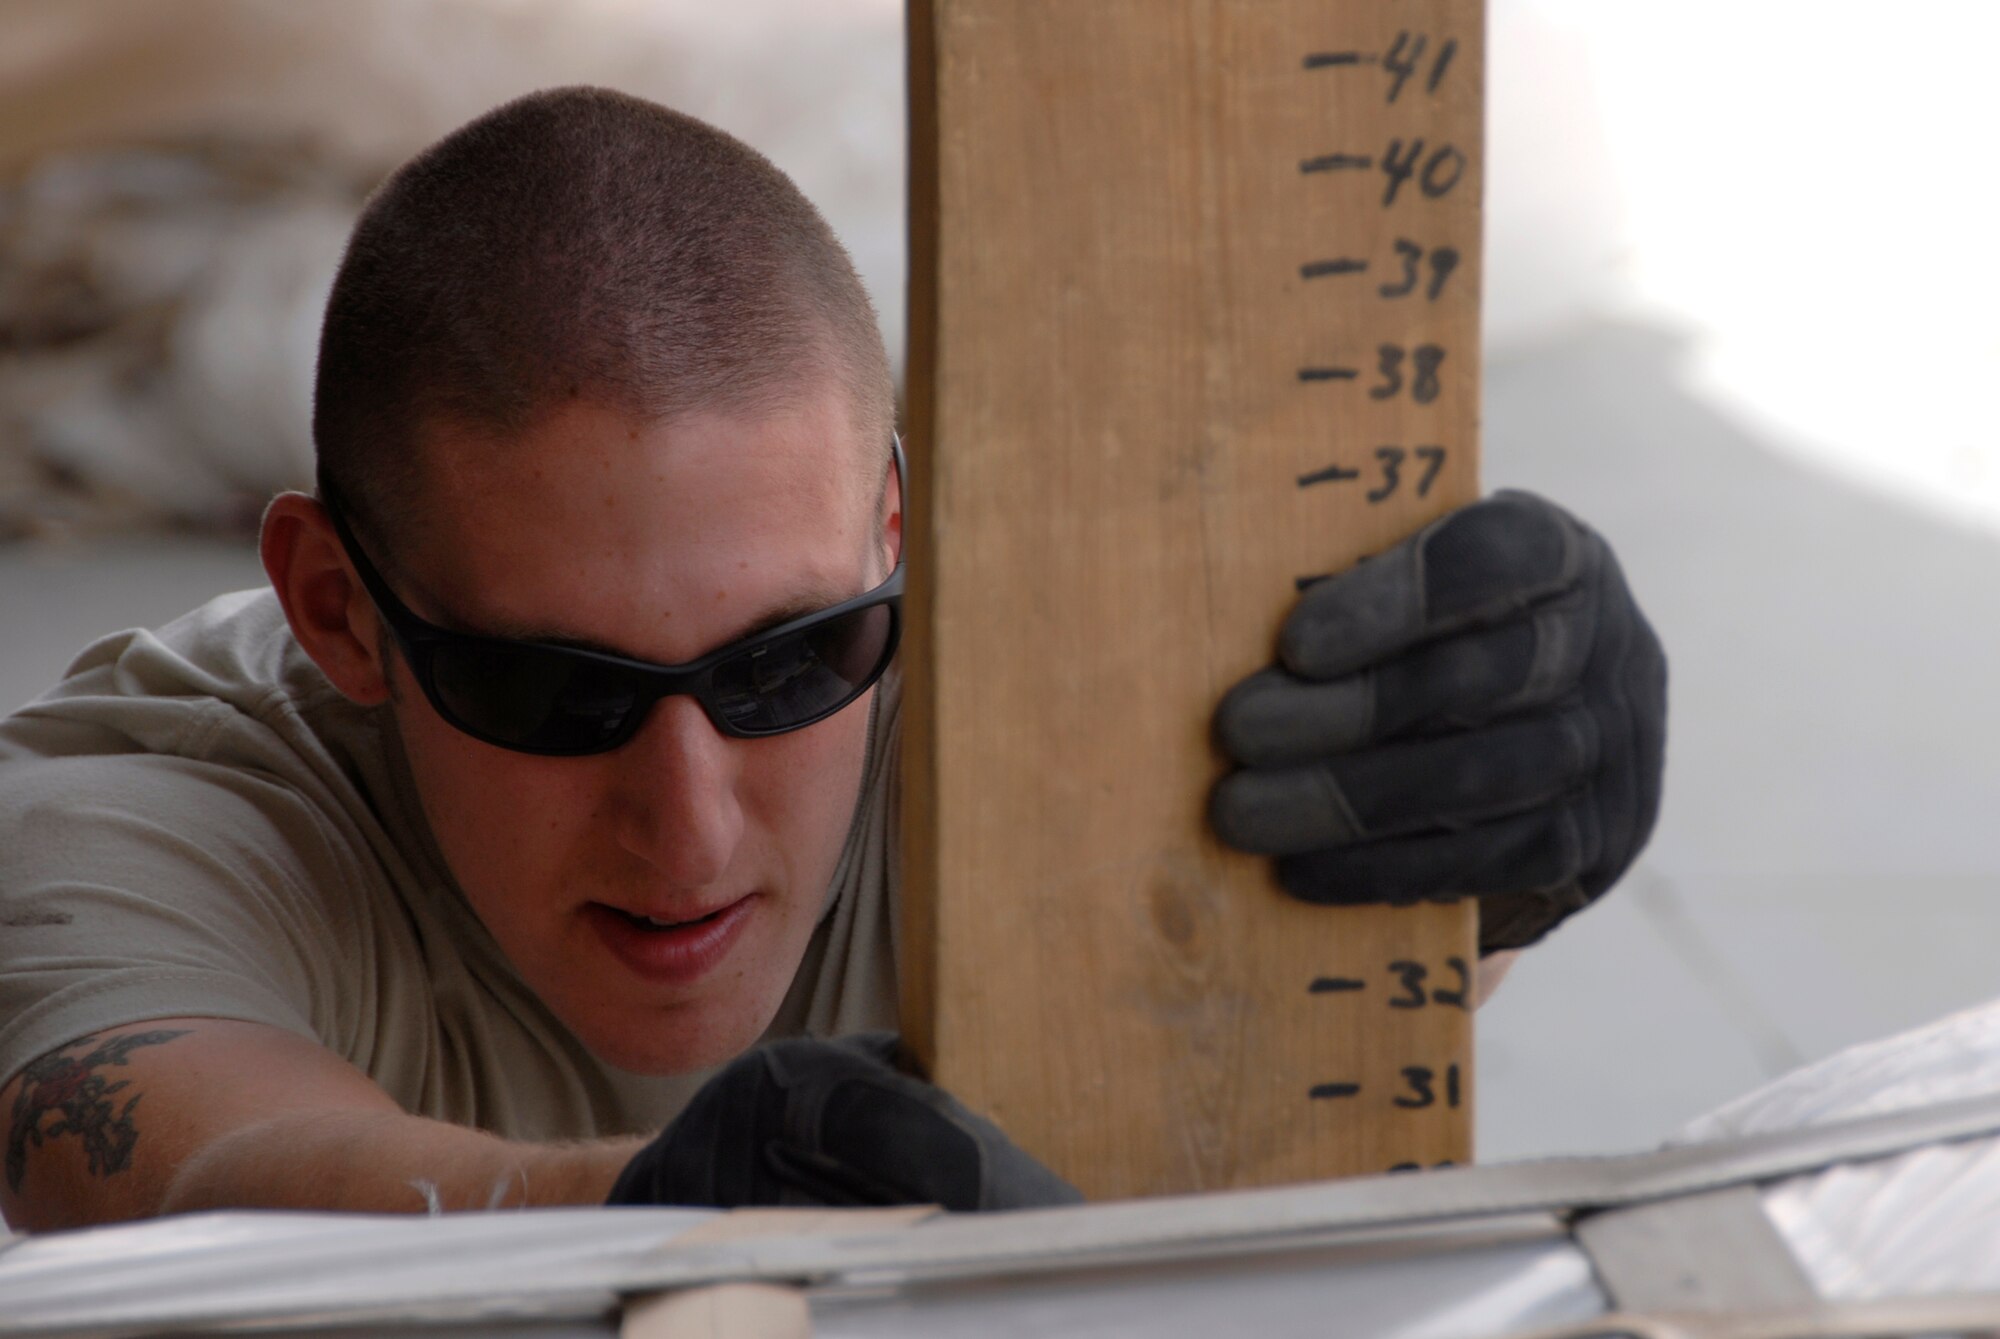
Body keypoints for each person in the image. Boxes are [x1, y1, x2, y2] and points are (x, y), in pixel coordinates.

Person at [0, 87, 1666, 1233]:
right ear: (338, 610)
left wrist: (1490, 845)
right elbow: (193, 1184)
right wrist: (645, 1224)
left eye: (791, 666)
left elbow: (1301, 977)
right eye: (557, 696)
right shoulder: (126, 824)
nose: (694, 829)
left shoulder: (1040, 702)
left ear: (891, 532)